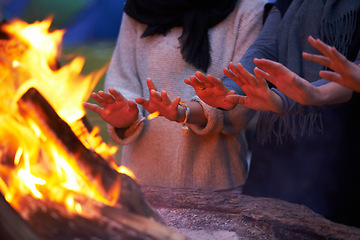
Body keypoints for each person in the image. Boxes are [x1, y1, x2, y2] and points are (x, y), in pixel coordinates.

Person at [185, 0, 360, 227]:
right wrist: (231, 90)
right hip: (277, 147)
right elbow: (263, 51)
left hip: (341, 151)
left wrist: (311, 95)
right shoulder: (287, 3)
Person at [84, 0, 266, 192]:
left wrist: (184, 112)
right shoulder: (140, 7)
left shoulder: (248, 8)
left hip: (214, 185)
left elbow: (241, 100)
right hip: (142, 183)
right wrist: (127, 115)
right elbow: (122, 79)